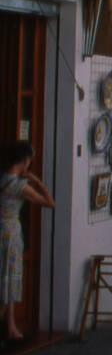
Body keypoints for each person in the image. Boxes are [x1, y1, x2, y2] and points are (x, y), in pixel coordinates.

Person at [0, 140, 55, 341]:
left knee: (6, 277)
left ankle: (11, 325)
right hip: (9, 234)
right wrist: (37, 181)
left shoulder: (3, 179)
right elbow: (50, 203)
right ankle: (8, 324)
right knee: (9, 278)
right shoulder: (19, 186)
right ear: (25, 161)